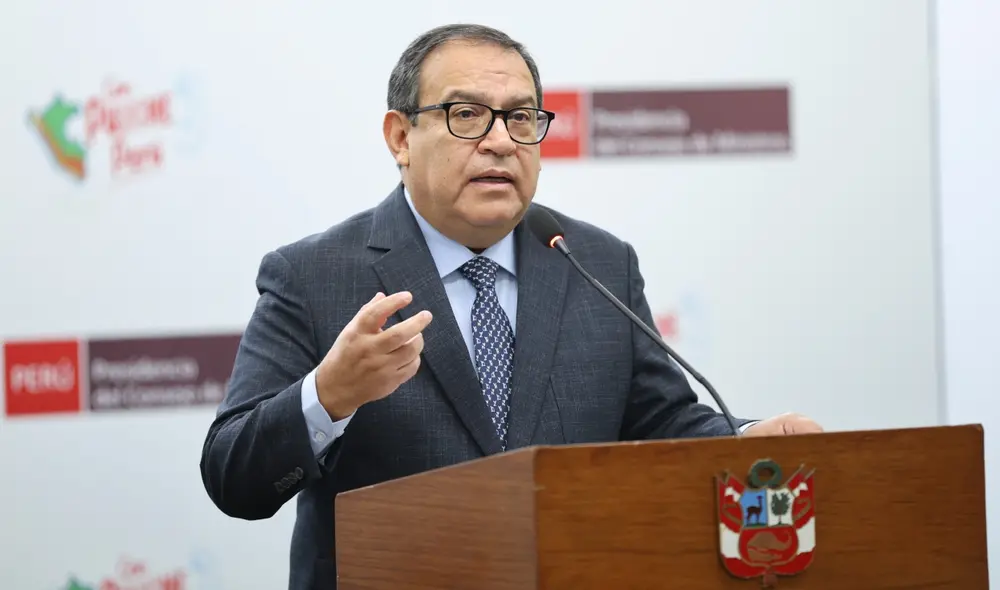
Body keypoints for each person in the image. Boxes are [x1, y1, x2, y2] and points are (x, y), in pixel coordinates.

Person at [199, 23, 823, 590]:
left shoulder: (596, 262)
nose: (500, 142)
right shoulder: (314, 275)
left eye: (521, 119)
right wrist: (327, 396)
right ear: (400, 137)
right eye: (467, 114)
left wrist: (742, 440)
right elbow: (233, 477)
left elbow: (662, 424)